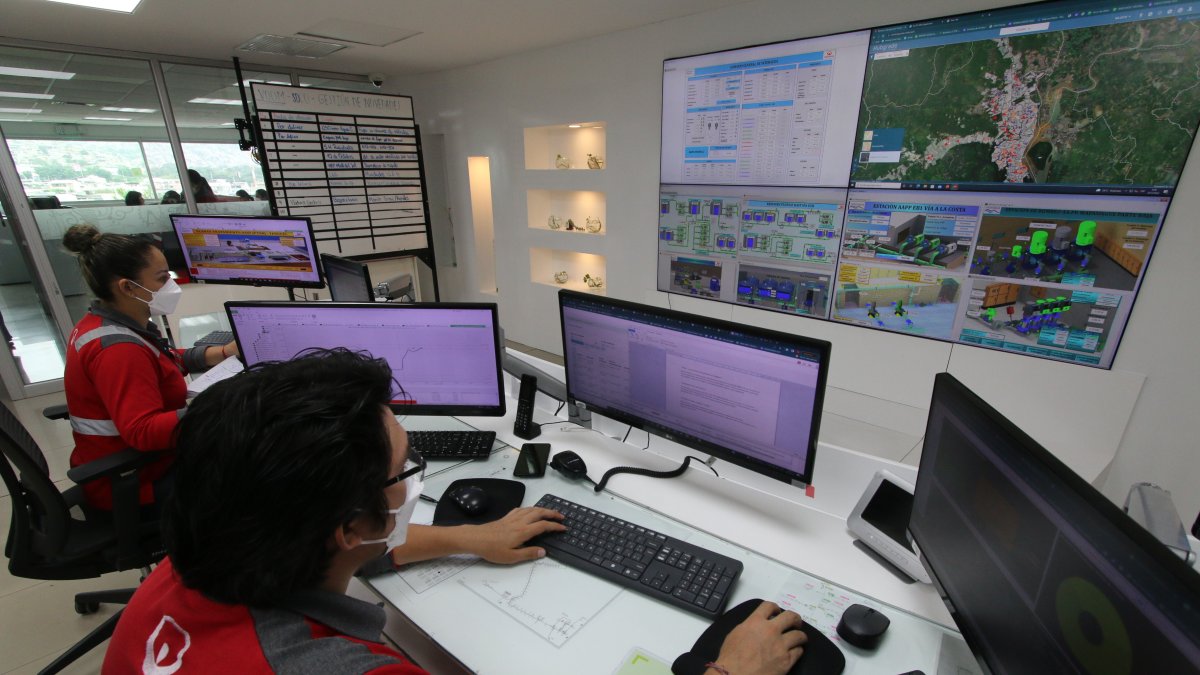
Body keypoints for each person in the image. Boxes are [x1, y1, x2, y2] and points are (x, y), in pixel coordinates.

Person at [103, 350, 806, 674]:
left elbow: (353, 541)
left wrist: (469, 536)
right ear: (352, 526)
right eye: (405, 469)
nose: (414, 479)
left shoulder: (188, 568)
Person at [61, 223, 237, 510]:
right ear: (128, 287)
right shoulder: (118, 349)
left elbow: (159, 360)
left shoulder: (101, 324)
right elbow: (143, 431)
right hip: (135, 482)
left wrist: (222, 352)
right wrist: (218, 406)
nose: (171, 284)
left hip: (125, 465)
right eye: (161, 278)